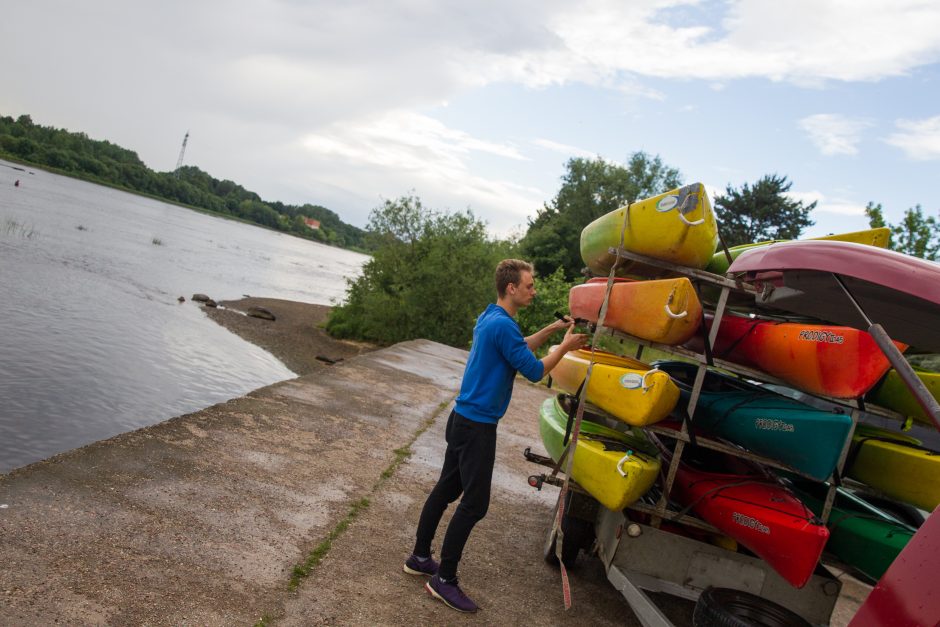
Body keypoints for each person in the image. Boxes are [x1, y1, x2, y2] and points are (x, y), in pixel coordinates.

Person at [403, 258, 588, 613]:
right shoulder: (503, 326)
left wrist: (553, 329)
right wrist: (565, 348)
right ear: (511, 288)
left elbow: (518, 347)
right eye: (530, 285)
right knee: (475, 503)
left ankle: (420, 557)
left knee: (447, 489)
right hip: (477, 428)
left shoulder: (493, 316)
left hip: (462, 419)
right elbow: (532, 370)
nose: (534, 290)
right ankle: (444, 580)